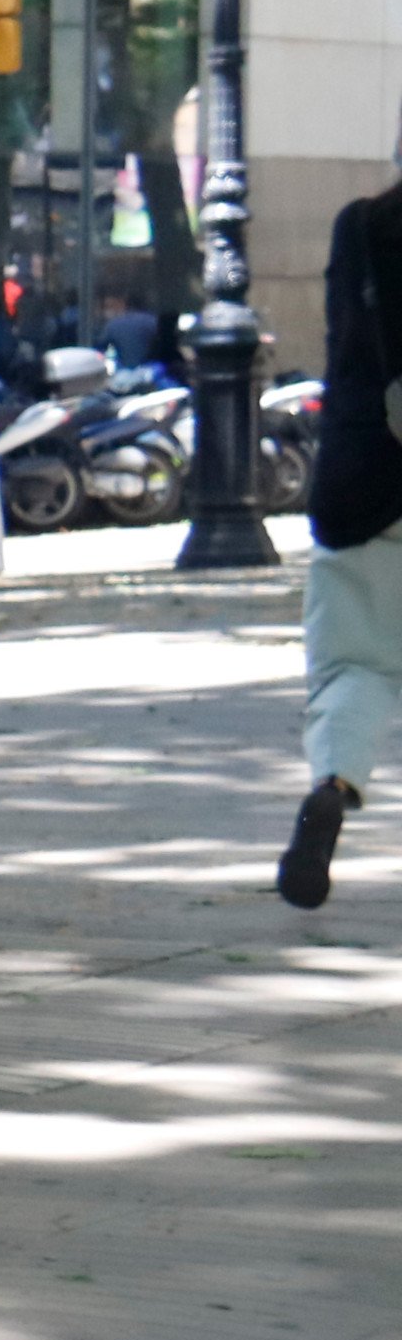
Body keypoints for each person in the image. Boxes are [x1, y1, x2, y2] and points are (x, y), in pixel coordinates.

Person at [280, 159, 402, 907]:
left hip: (365, 477)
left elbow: (343, 343)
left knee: (354, 666)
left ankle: (334, 781)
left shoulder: (362, 226)